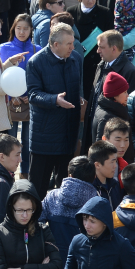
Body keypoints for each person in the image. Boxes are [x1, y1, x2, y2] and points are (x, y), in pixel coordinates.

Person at [26, 24, 84, 195]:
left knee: (64, 187)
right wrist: (55, 100)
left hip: (68, 134)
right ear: (55, 44)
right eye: (68, 44)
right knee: (38, 187)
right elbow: (33, 94)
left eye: (73, 43)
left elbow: (79, 87)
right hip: (44, 138)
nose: (73, 48)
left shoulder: (75, 58)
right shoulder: (36, 62)